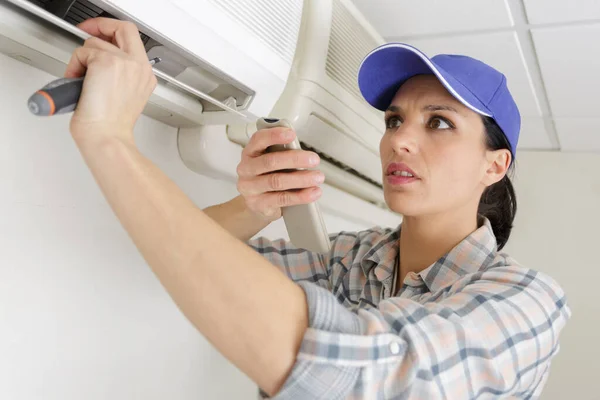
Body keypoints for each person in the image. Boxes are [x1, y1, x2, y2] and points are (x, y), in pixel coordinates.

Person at [63, 17, 570, 399]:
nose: (400, 142)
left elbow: (356, 379)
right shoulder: (353, 258)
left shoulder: (528, 301)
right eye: (395, 121)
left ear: (495, 165)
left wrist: (109, 138)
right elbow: (187, 259)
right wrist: (257, 205)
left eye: (438, 123)